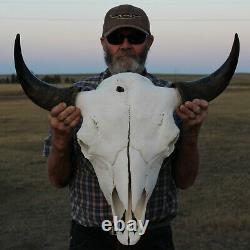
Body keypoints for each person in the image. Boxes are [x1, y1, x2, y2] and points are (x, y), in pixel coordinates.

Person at [44, 4, 208, 250]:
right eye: (115, 37)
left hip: (154, 236)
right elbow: (57, 180)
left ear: (149, 42)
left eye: (136, 37)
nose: (125, 44)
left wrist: (190, 133)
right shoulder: (74, 101)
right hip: (90, 236)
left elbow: (184, 180)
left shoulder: (174, 100)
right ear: (103, 42)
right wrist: (60, 139)